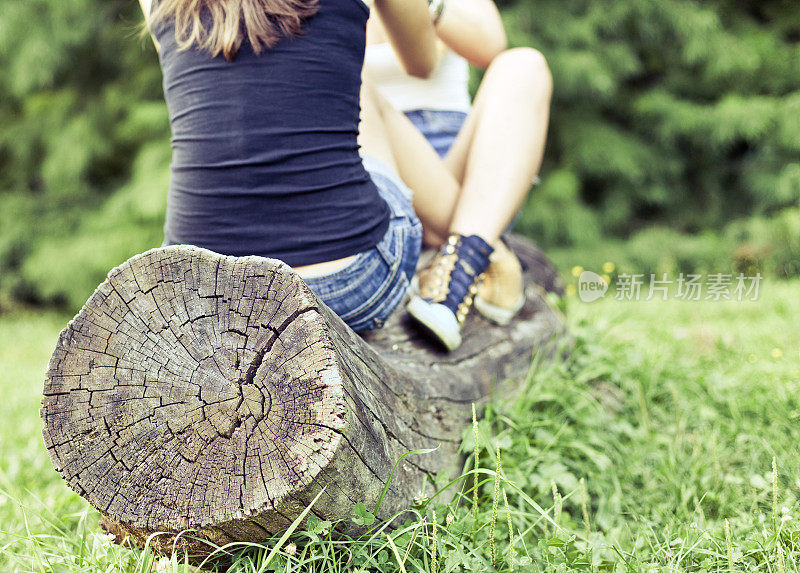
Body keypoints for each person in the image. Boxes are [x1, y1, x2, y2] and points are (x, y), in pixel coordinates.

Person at [138, 0, 542, 351]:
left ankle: (465, 254)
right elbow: (420, 58)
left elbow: (452, 55)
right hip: (350, 178)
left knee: (523, 67)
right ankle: (477, 248)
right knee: (358, 85)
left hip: (197, 285)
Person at [364, 0, 552, 339]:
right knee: (361, 90)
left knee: (524, 64)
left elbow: (491, 44)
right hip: (379, 160)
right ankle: (477, 255)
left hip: (469, 169)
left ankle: (457, 263)